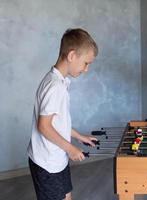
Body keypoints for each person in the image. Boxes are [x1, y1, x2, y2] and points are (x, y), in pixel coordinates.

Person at [27, 28, 99, 200]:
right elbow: (43, 126)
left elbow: (59, 123)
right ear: (72, 55)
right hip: (47, 163)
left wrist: (78, 136)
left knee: (66, 197)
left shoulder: (60, 81)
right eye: (86, 63)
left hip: (57, 158)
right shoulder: (55, 86)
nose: (86, 69)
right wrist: (71, 148)